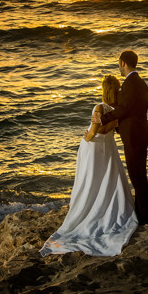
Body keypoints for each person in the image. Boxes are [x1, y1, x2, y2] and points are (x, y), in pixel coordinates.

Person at [40, 75, 138, 256]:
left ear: (104, 90)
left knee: (89, 179)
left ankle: (87, 206)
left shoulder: (99, 107)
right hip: (107, 148)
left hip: (93, 147)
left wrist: (86, 136)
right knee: (106, 177)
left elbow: (95, 131)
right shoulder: (118, 111)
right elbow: (108, 129)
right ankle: (104, 206)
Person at [95, 50, 148, 224]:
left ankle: (145, 217)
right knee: (139, 176)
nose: (119, 68)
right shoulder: (140, 83)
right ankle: (143, 213)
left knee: (137, 177)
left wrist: (102, 118)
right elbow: (130, 108)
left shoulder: (131, 83)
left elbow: (124, 109)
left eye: (119, 64)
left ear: (123, 63)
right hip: (138, 134)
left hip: (134, 136)